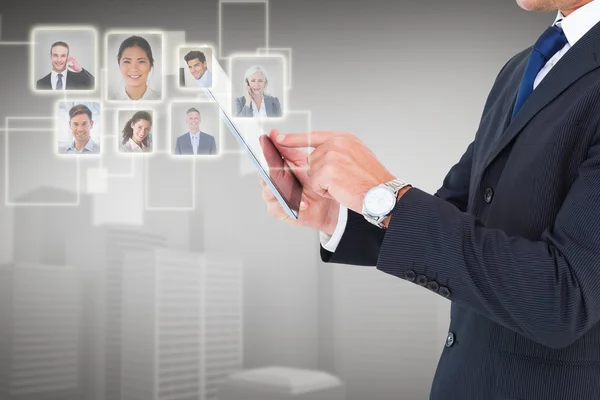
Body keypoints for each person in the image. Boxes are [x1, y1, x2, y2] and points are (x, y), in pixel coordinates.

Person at [258, 1, 600, 399]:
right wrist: (335, 213)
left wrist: (384, 194)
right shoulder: (521, 68)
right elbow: (456, 212)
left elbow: (564, 298)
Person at [114, 36, 160, 101]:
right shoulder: (111, 100)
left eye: (141, 61)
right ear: (119, 65)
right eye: (127, 61)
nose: (134, 68)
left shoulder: (161, 99)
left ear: (150, 66)